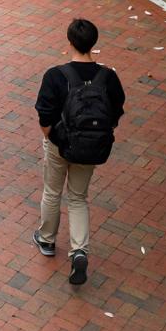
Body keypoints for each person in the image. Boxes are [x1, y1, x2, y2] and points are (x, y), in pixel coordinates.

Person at [33, 18, 126, 287]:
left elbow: (45, 114)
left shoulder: (55, 75)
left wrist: (51, 137)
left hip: (59, 144)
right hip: (91, 147)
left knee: (52, 191)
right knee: (78, 197)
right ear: (93, 44)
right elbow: (116, 109)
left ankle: (47, 240)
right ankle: (79, 251)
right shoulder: (108, 77)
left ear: (69, 42)